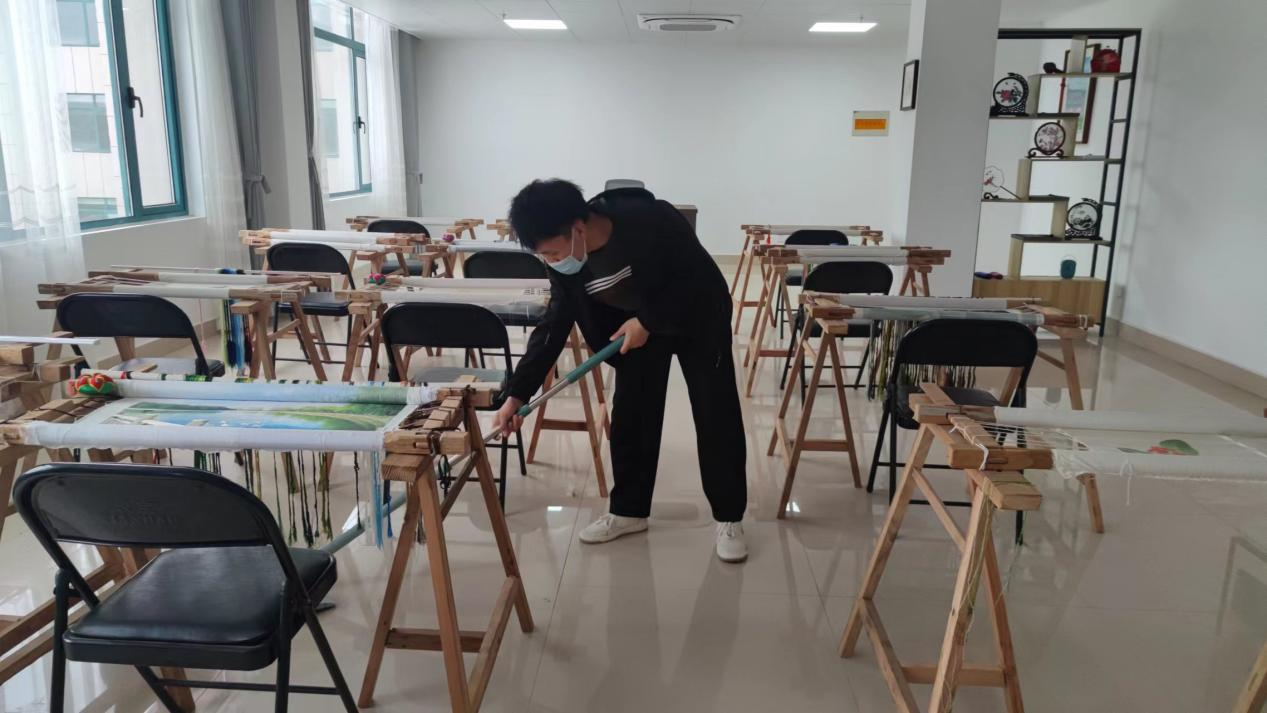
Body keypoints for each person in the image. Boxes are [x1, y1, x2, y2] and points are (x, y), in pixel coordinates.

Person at [492, 179, 749, 563]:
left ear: (578, 229)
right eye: (544, 256)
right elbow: (555, 323)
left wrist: (648, 320)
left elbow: (696, 280)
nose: (552, 262)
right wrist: (517, 393)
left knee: (715, 413)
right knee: (632, 414)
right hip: (635, 329)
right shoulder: (566, 264)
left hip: (698, 319)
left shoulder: (652, 220)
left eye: (553, 252)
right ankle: (629, 510)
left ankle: (729, 517)